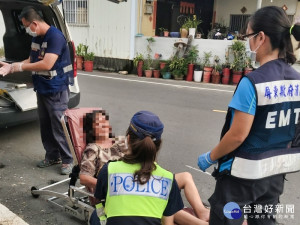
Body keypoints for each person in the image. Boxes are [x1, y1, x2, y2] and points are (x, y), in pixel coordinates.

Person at [197, 6, 300, 225]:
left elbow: (237, 136)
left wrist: (211, 156)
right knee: (263, 221)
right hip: (274, 176)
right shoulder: (297, 81)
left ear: (261, 37)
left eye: (249, 36)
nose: (248, 41)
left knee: (228, 219)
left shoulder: (253, 82)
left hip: (242, 179)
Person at [81, 110, 208, 225]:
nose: (103, 126)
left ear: (129, 138)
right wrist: (116, 185)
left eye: (104, 122)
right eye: (98, 124)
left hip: (141, 175)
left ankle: (202, 212)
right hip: (121, 185)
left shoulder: (119, 141)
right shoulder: (93, 149)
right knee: (159, 202)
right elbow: (84, 177)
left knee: (183, 178)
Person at [0, 6, 74, 175]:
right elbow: (32, 58)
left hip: (56, 88)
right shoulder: (37, 38)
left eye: (27, 26)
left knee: (59, 125)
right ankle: (52, 156)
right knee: (46, 124)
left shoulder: (55, 37)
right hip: (42, 87)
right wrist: (12, 66)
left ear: (34, 23)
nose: (27, 30)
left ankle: (68, 160)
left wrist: (20, 67)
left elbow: (47, 64)